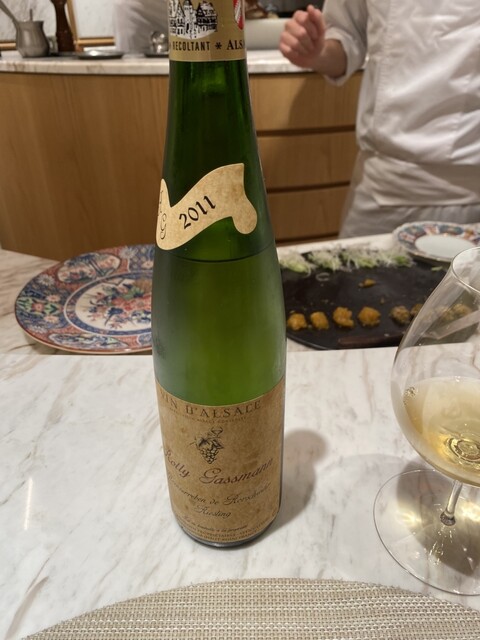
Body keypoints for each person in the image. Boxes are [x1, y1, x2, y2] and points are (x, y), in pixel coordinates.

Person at [279, 3, 480, 238]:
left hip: (470, 188)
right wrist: (318, 51)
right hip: (381, 183)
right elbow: (345, 34)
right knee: (357, 262)